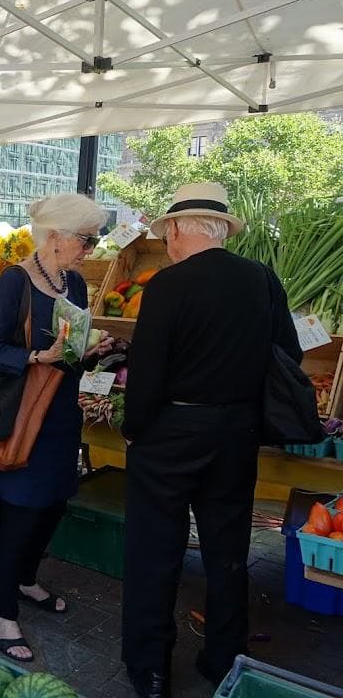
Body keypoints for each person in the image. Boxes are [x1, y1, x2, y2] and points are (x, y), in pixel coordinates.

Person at [120, 184, 302, 698]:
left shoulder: (167, 285)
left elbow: (148, 372)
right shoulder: (262, 279)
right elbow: (284, 354)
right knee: (228, 548)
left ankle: (151, 669)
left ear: (178, 230)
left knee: (155, 549)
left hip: (172, 433)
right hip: (237, 432)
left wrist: (135, 429)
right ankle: (225, 656)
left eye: (167, 233)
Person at [0, 194, 111, 663]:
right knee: (21, 513)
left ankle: (27, 580)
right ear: (55, 238)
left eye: (93, 240)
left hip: (60, 415)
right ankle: (2, 612)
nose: (90, 249)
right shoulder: (14, 283)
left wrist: (88, 350)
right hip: (21, 417)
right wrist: (34, 357)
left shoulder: (74, 284)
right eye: (86, 239)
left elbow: (69, 349)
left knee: (54, 504)